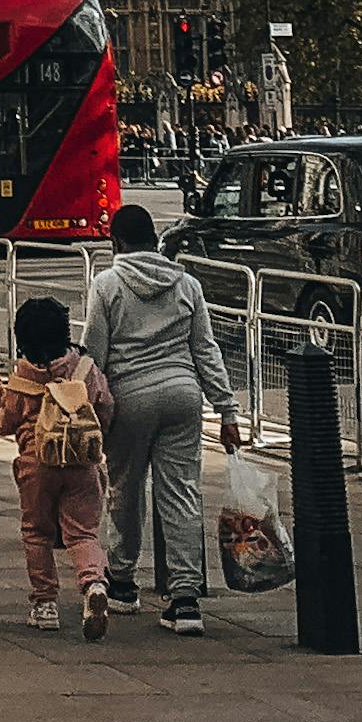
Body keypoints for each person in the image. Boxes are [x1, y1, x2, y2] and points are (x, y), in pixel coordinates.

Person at [82, 201, 240, 636]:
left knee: (125, 490)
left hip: (130, 397)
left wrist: (89, 410)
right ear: (155, 240)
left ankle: (123, 582)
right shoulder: (187, 284)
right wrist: (226, 409)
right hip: (183, 395)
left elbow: (95, 351)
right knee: (182, 494)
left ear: (116, 242)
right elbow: (206, 351)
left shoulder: (107, 284)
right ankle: (185, 599)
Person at [0, 292, 117, 636]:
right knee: (82, 532)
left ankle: (45, 603)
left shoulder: (22, 377)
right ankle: (94, 584)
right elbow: (104, 405)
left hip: (37, 464)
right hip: (81, 463)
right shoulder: (84, 369)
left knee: (37, 533)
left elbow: (5, 422)